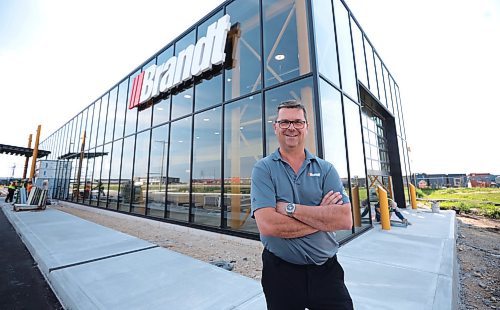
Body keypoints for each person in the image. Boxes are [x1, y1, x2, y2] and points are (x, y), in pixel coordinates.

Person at [251, 100, 354, 309]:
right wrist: (323, 217)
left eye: (298, 122)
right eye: (285, 122)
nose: (291, 127)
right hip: (280, 273)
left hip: (326, 271)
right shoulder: (263, 169)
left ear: (306, 127)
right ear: (276, 127)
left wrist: (290, 209)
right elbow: (269, 226)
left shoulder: (326, 169)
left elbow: (344, 219)